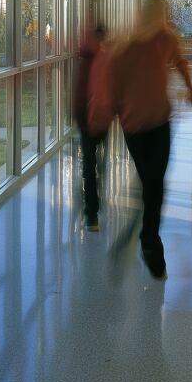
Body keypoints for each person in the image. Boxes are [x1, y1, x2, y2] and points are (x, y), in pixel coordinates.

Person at [108, 0, 192, 279]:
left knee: (155, 184)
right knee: (151, 182)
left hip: (159, 122)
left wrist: (190, 87)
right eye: (158, 12)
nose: (162, 17)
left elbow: (180, 62)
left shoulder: (166, 39)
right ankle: (148, 238)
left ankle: (149, 240)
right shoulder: (126, 46)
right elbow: (113, 84)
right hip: (134, 126)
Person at [73, 22, 113, 231]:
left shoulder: (84, 58)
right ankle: (92, 211)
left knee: (90, 164)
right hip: (95, 119)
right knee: (93, 163)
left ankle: (92, 210)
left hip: (90, 119)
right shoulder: (100, 59)